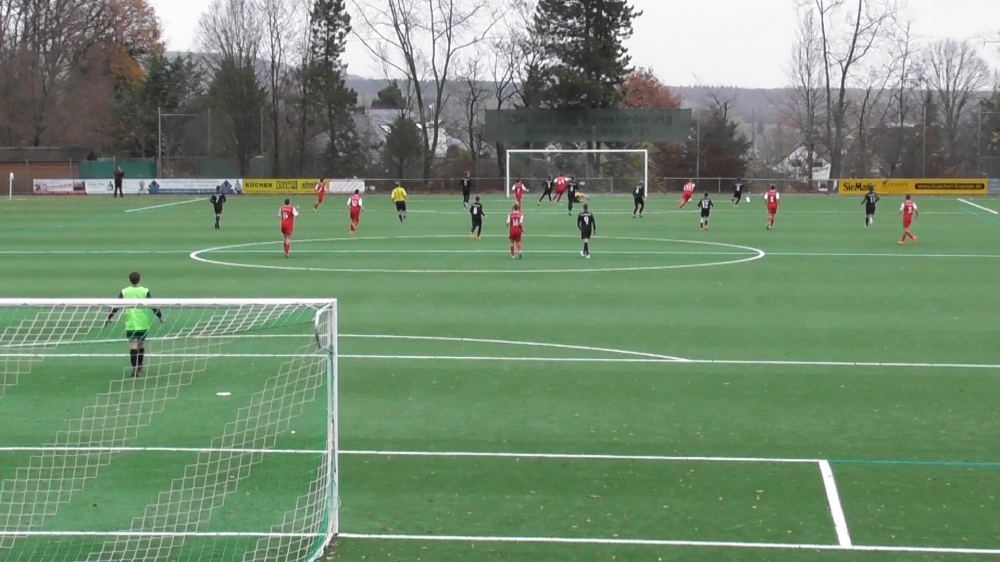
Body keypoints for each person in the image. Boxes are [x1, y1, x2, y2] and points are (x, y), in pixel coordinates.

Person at [105, 271, 163, 378]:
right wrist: (159, 316)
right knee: (141, 344)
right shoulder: (145, 291)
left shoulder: (125, 291)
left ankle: (134, 369)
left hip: (131, 323)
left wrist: (109, 316)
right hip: (143, 323)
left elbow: (116, 306)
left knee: (133, 345)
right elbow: (153, 306)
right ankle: (140, 366)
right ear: (139, 279)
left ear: (130, 280)